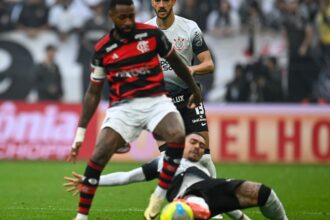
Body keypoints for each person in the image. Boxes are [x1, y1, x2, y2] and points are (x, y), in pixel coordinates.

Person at [68, 0, 202, 220]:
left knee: (177, 134)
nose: (129, 21)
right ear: (112, 16)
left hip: (155, 101)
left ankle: (159, 194)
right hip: (123, 108)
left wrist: (194, 89)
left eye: (131, 15)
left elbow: (178, 64)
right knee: (98, 155)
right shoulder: (103, 49)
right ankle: (81, 217)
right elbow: (93, 92)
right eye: (123, 17)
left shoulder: (151, 35)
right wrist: (80, 132)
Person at [64, 133, 288, 220]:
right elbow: (126, 177)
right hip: (187, 200)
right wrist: (90, 181)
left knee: (264, 193)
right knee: (184, 210)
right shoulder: (162, 162)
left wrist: (241, 218)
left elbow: (218, 194)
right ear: (181, 143)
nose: (198, 148)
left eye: (202, 146)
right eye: (194, 142)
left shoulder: (205, 165)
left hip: (207, 197)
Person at [141, 0, 217, 180]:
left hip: (189, 98)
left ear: (173, 1)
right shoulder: (144, 32)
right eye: (157, 0)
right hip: (161, 103)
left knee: (205, 158)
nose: (161, 5)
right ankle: (182, 198)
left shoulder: (190, 28)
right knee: (170, 160)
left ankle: (213, 202)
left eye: (166, 0)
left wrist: (191, 70)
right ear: (152, 2)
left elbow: (208, 64)